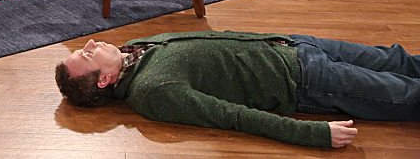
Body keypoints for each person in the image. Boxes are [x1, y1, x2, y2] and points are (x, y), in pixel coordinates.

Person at [55, 30, 420, 148]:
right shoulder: (152, 91)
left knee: (399, 59)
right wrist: (313, 134)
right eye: (87, 54)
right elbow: (233, 116)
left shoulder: (135, 49)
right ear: (103, 80)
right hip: (307, 82)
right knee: (406, 94)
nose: (91, 43)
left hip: (295, 45)